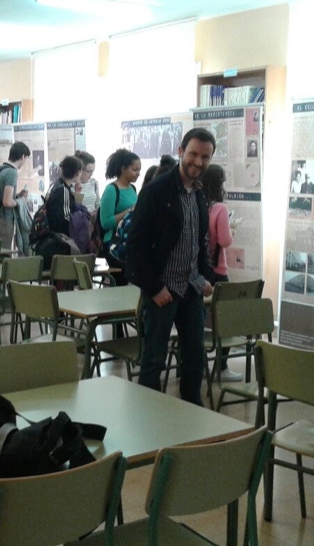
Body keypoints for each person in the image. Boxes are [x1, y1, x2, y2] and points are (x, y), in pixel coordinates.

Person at [126, 128, 216, 405]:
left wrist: (205, 276)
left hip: (191, 289)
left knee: (194, 359)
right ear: (180, 151)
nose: (198, 162)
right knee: (154, 360)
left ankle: (191, 415)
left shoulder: (199, 193)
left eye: (205, 157)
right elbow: (135, 247)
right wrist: (154, 288)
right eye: (193, 154)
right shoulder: (156, 191)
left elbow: (200, 240)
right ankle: (150, 418)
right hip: (161, 292)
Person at [201, 164, 242, 382]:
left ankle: (196, 366)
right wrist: (231, 229)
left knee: (198, 319)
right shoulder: (220, 209)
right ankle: (222, 367)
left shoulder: (197, 203)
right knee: (228, 318)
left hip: (199, 270)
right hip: (218, 270)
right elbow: (225, 241)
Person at [100, 148, 140, 285]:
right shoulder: (111, 190)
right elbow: (105, 222)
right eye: (135, 170)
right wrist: (129, 211)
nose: (138, 174)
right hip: (114, 244)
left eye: (139, 170)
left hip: (129, 241)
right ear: (123, 169)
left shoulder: (133, 189)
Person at [0, 142, 30, 252]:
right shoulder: (12, 173)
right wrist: (20, 201)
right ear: (22, 156)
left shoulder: (1, 169)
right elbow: (7, 202)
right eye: (26, 159)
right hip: (5, 220)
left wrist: (17, 196)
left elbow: (3, 196)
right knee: (4, 253)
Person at [45, 155, 82, 237]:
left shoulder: (56, 184)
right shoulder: (63, 190)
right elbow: (66, 219)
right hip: (60, 237)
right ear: (78, 172)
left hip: (53, 234)